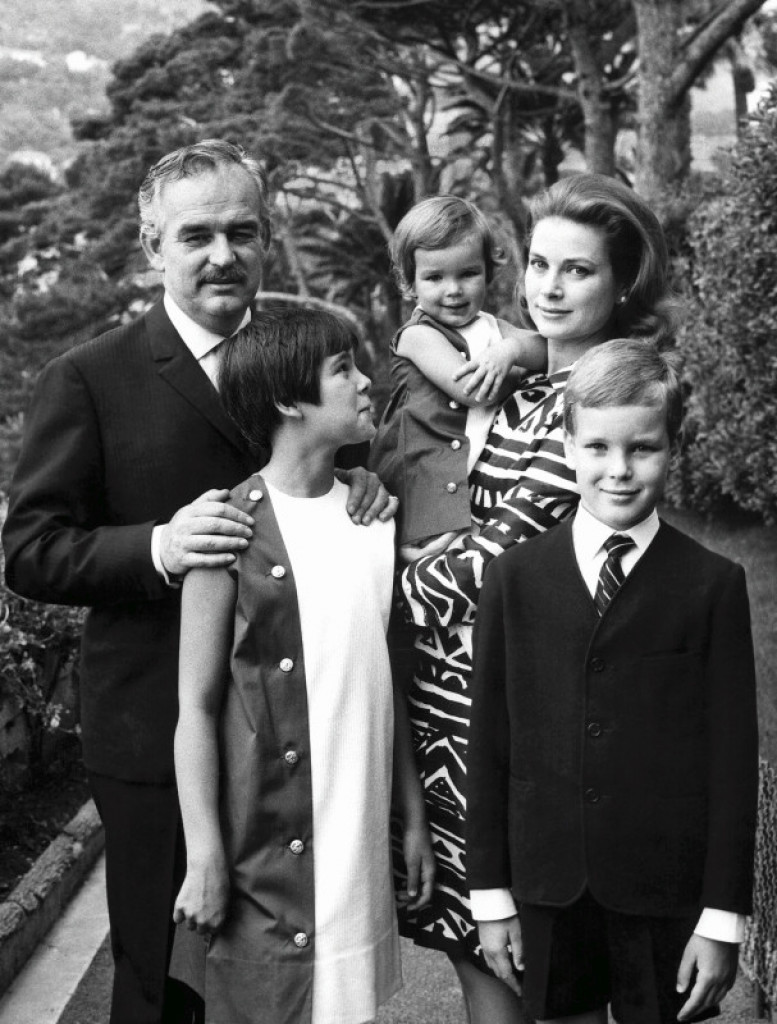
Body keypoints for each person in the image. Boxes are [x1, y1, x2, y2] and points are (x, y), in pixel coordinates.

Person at [1, 140, 394, 1024]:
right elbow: (29, 548)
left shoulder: (298, 357)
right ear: (153, 247)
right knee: (164, 984)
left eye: (242, 232)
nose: (224, 254)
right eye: (197, 235)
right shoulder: (88, 378)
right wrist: (157, 547)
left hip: (306, 739)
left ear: (266, 240)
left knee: (288, 982)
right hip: (152, 730)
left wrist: (363, 483)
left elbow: (324, 472)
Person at [393, 174, 676, 1024]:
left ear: (620, 284)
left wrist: (371, 583)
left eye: (577, 270)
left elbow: (495, 559)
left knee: (551, 979)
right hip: (447, 721)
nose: (548, 288)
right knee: (477, 961)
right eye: (539, 265)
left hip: (524, 732)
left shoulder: (603, 405)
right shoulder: (517, 392)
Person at [467, 338, 758, 1024]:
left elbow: (732, 760)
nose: (619, 470)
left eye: (643, 448)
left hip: (664, 889)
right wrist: (490, 897)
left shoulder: (712, 585)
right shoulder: (513, 578)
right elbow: (488, 747)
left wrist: (721, 918)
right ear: (568, 445)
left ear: (673, 447)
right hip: (546, 885)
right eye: (597, 447)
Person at [172, 308, 434, 1024]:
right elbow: (195, 708)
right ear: (289, 401)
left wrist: (411, 814)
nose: (365, 381)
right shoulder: (228, 530)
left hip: (356, 837)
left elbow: (380, 676)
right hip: (264, 844)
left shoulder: (374, 515)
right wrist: (204, 854)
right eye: (343, 369)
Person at [369, 195, 547, 546]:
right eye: (434, 277)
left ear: (488, 272)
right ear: (410, 283)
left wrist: (511, 350)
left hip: (471, 485)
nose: (453, 290)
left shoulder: (493, 327)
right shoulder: (417, 336)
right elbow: (471, 389)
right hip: (421, 483)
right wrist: (516, 371)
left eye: (468, 274)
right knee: (428, 562)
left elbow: (547, 350)